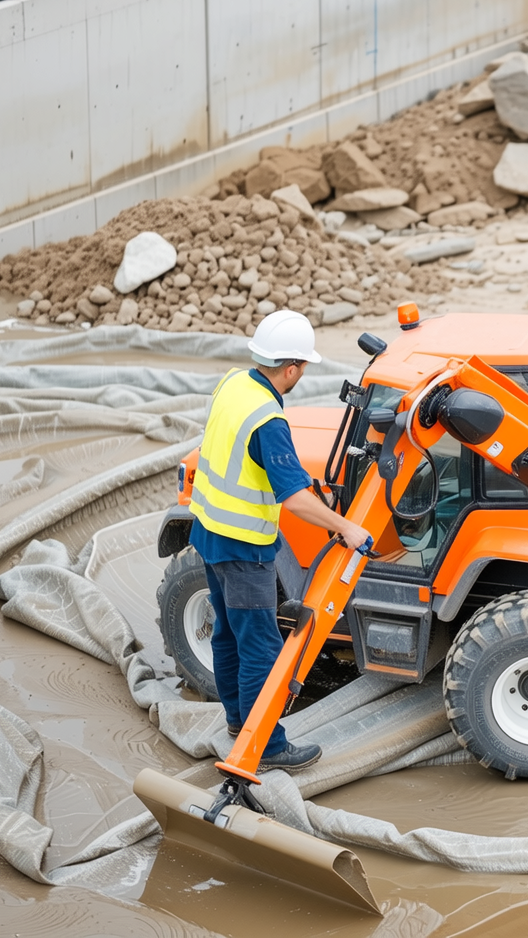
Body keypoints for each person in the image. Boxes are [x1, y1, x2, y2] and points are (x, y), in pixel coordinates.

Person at [188, 310, 371, 772]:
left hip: (208, 532)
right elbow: (293, 500)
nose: (301, 375)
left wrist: (293, 472)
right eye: (302, 368)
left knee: (228, 634)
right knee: (262, 649)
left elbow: (244, 456)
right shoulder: (270, 420)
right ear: (291, 368)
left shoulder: (234, 384)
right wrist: (346, 527)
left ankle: (237, 721)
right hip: (244, 548)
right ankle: (266, 748)